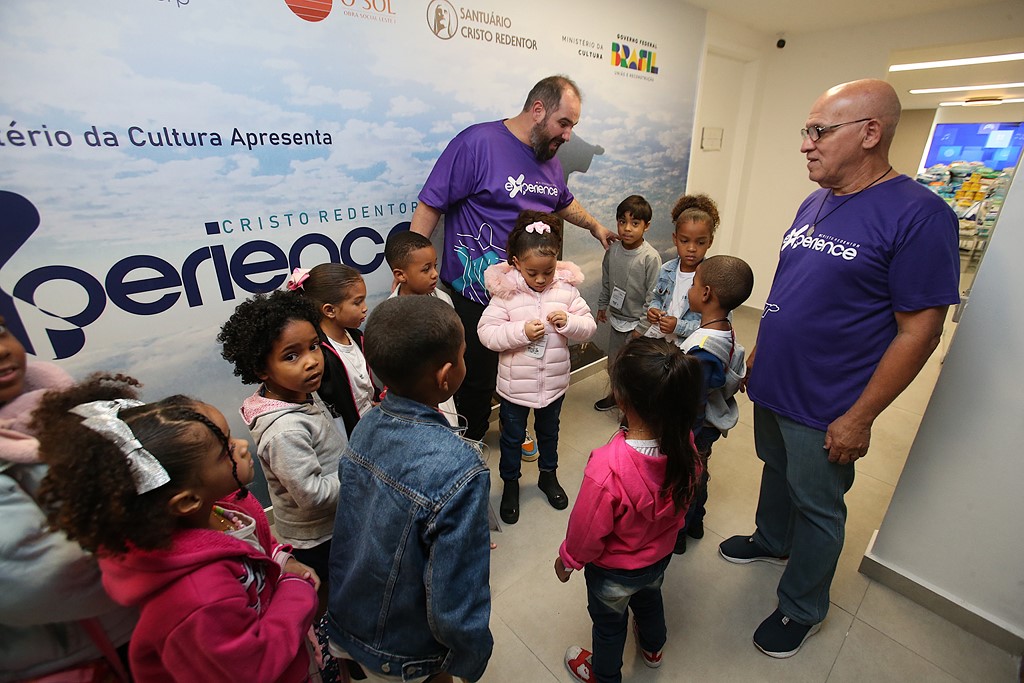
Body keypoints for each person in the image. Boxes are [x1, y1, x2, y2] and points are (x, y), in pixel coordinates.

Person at [719, 79, 960, 658]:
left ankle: (802, 606)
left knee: (818, 505)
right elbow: (792, 288)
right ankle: (772, 539)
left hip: (829, 401)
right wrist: (762, 353)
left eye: (819, 131)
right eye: (807, 130)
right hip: (777, 381)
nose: (806, 143)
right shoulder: (817, 200)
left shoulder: (921, 216)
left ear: (870, 133)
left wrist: (861, 417)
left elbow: (919, 332)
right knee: (775, 468)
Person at [34, 374, 319, 681]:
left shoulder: (227, 508)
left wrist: (281, 559)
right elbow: (253, 666)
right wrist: (295, 590)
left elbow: (256, 546)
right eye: (224, 451)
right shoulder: (198, 598)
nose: (240, 445)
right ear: (186, 501)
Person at [410, 74, 615, 442]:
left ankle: (513, 430)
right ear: (538, 110)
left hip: (527, 294)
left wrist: (594, 226)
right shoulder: (476, 143)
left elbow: (563, 201)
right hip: (476, 295)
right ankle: (470, 444)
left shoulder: (549, 158)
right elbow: (431, 204)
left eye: (572, 126)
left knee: (521, 370)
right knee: (476, 379)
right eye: (563, 123)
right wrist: (412, 269)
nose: (568, 135)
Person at [326, 296, 492, 683]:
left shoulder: (367, 425)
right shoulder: (460, 468)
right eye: (464, 355)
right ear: (446, 376)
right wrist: (470, 657)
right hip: (406, 649)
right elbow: (455, 597)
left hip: (351, 614)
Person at [556, 337, 704, 683]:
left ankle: (605, 676)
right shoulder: (687, 446)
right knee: (650, 600)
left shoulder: (607, 468)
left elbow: (586, 531)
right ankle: (653, 648)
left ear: (620, 398)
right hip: (658, 558)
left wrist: (568, 560)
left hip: (614, 572)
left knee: (609, 627)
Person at [0, 319, 136, 682]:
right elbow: (35, 582)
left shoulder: (63, 407)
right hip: (73, 659)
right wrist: (162, 558)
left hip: (131, 622)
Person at [218, 290, 345, 603]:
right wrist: (360, 473)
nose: (312, 361)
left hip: (336, 520)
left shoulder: (297, 392)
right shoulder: (284, 430)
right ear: (262, 369)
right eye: (291, 356)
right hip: (318, 538)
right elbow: (313, 496)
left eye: (313, 346)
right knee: (332, 597)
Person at [477, 211, 597, 525]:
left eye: (548, 271)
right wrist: (521, 332)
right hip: (515, 389)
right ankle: (511, 484)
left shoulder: (566, 291)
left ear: (557, 260)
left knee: (549, 433)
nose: (541, 279)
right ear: (516, 263)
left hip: (553, 385)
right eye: (533, 272)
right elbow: (486, 333)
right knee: (511, 439)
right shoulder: (506, 294)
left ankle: (548, 476)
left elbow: (589, 327)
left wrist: (569, 322)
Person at [673, 255, 754, 554]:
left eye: (694, 284)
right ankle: (696, 523)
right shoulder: (724, 329)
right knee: (700, 474)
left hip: (697, 429)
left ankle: (679, 533)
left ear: (706, 293)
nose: (689, 290)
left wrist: (686, 441)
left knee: (687, 480)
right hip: (710, 422)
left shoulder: (702, 351)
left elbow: (694, 404)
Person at [286, 264, 375, 439]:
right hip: (349, 438)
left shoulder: (357, 337)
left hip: (372, 426)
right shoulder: (321, 354)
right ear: (329, 310)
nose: (365, 308)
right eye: (357, 302)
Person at [384, 230, 460, 428]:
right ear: (400, 275)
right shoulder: (390, 316)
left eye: (435, 265)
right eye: (426, 269)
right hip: (413, 399)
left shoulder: (443, 299)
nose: (435, 274)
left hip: (444, 388)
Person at [594, 194, 662, 411]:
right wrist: (602, 305)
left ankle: (633, 407)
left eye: (635, 223)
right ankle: (616, 396)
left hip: (638, 325)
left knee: (634, 367)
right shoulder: (613, 251)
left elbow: (653, 297)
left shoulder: (650, 257)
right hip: (617, 320)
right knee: (614, 363)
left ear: (646, 226)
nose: (627, 228)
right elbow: (607, 281)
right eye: (622, 222)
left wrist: (641, 328)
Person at [635, 193, 720, 344]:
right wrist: (653, 310)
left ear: (710, 241)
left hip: (688, 347)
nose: (691, 248)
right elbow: (657, 298)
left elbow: (713, 325)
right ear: (675, 239)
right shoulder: (666, 269)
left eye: (700, 242)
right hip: (662, 342)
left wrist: (678, 326)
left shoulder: (712, 279)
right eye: (684, 241)